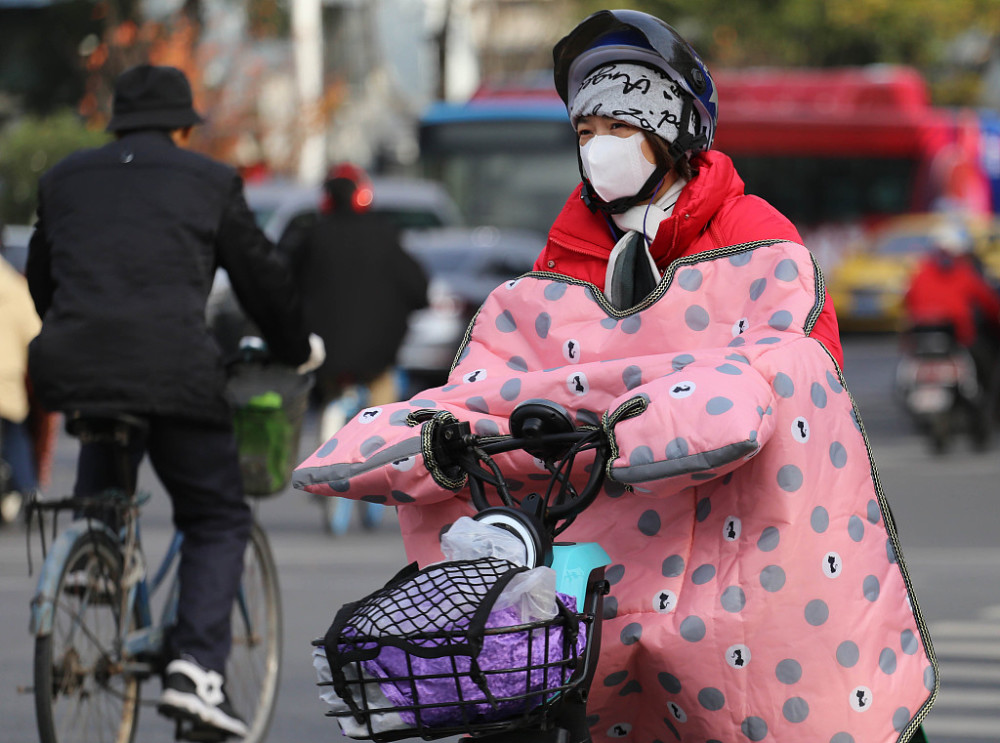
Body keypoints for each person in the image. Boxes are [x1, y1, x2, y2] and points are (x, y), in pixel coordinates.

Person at [294, 10, 935, 743]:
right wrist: (441, 434)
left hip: (732, 547)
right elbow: (501, 373)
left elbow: (799, 383)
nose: (599, 147)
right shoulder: (562, 259)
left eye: (619, 127)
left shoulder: (759, 240)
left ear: (675, 135)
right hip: (594, 545)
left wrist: (680, 418)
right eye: (587, 130)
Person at [26, 63, 323, 737]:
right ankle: (197, 670)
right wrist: (294, 343)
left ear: (115, 123)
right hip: (173, 370)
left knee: (107, 429)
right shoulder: (209, 181)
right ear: (186, 126)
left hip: (72, 363)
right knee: (217, 513)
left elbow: (44, 282)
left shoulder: (64, 178)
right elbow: (262, 277)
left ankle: (97, 548)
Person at [282, 162, 429, 439]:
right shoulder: (384, 235)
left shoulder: (312, 236)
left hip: (326, 350)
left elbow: (288, 286)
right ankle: (383, 447)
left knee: (330, 395)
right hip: (377, 351)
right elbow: (417, 287)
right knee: (384, 398)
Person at [903, 220, 1000, 389]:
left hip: (923, 337)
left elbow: (908, 301)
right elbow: (988, 301)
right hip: (958, 337)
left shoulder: (921, 272)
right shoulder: (963, 272)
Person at [0, 249, 42, 523]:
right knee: (16, 440)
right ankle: (29, 495)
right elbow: (34, 334)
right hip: (7, 380)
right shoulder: (16, 287)